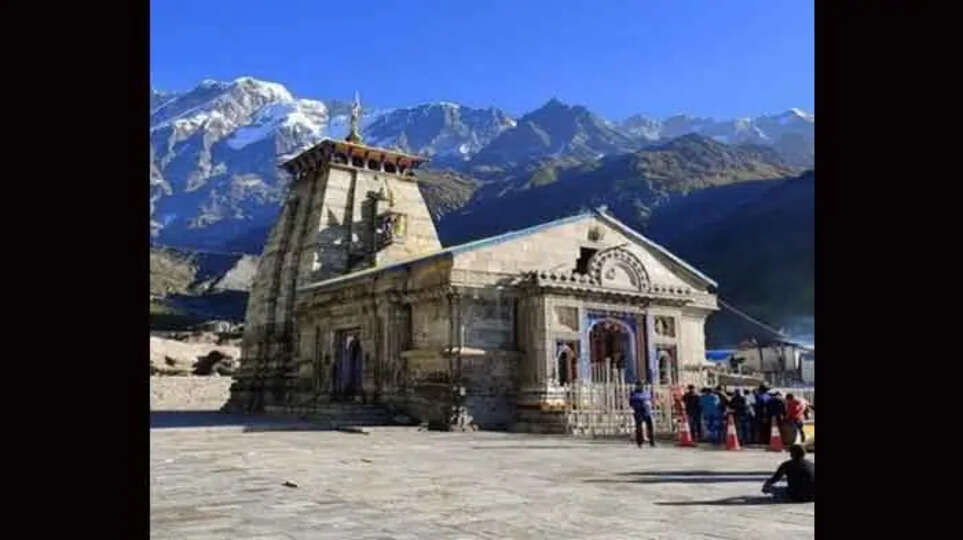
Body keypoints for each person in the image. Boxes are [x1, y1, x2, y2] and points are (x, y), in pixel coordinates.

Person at [629, 381, 656, 447]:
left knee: (650, 427)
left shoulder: (646, 392)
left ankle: (652, 442)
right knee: (639, 428)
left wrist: (648, 403)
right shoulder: (633, 393)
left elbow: (650, 399)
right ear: (636, 386)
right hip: (639, 412)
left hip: (647, 411)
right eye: (639, 385)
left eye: (641, 385)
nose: (641, 387)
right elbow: (631, 402)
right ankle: (640, 442)